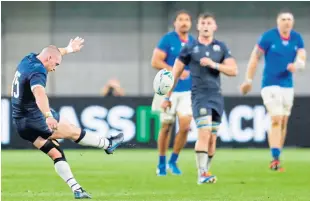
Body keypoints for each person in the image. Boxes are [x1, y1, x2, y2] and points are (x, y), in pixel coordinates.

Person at [11, 37, 124, 199]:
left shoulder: (29, 59)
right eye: (56, 64)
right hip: (34, 118)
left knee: (56, 153)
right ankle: (108, 144)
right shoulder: (38, 70)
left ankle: (77, 190)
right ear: (48, 59)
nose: (55, 68)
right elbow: (39, 93)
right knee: (72, 131)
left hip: (20, 123)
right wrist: (47, 116)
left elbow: (54, 52)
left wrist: (69, 49)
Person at [163, 12, 238, 184]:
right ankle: (202, 174)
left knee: (212, 139)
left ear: (214, 26)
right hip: (199, 96)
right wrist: (167, 96)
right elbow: (175, 74)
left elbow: (233, 70)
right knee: (204, 133)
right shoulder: (189, 48)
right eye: (203, 23)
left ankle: (205, 171)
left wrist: (214, 64)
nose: (205, 26)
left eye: (209, 23)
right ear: (198, 26)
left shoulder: (221, 47)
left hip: (216, 97)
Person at [240, 10, 306, 171]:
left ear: (293, 22)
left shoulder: (297, 38)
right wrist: (248, 80)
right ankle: (274, 159)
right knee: (276, 119)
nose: (286, 22)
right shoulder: (268, 37)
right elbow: (255, 57)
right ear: (278, 22)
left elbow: (302, 58)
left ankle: (277, 156)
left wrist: (296, 65)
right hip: (270, 84)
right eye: (283, 19)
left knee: (283, 121)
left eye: (289, 19)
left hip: (287, 86)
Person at [151, 10, 195, 176]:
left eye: (187, 20)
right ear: (175, 23)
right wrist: (175, 71)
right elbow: (155, 61)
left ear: (191, 23)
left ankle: (173, 161)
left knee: (185, 126)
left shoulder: (193, 42)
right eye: (180, 20)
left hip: (187, 91)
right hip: (167, 89)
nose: (184, 22)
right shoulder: (168, 39)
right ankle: (161, 162)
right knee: (166, 126)